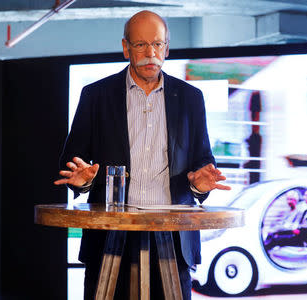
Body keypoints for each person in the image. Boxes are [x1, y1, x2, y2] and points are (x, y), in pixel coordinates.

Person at [54, 10, 230, 300]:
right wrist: (83, 179)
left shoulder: (190, 99)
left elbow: (202, 163)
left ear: (167, 49)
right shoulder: (95, 96)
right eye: (140, 44)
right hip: (109, 238)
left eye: (158, 44)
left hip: (173, 242)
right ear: (126, 48)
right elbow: (71, 164)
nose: (151, 52)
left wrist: (200, 183)